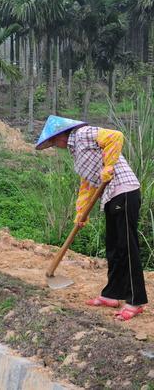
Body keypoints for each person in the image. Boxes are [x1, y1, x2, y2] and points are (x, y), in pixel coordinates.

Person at [36, 115, 148, 321]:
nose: (54, 146)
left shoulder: (82, 134)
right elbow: (87, 185)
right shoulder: (76, 152)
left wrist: (108, 166)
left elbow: (115, 136)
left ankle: (136, 300)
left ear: (61, 135)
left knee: (127, 247)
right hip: (110, 195)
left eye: (52, 141)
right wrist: (81, 212)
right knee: (113, 247)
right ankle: (112, 295)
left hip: (124, 190)